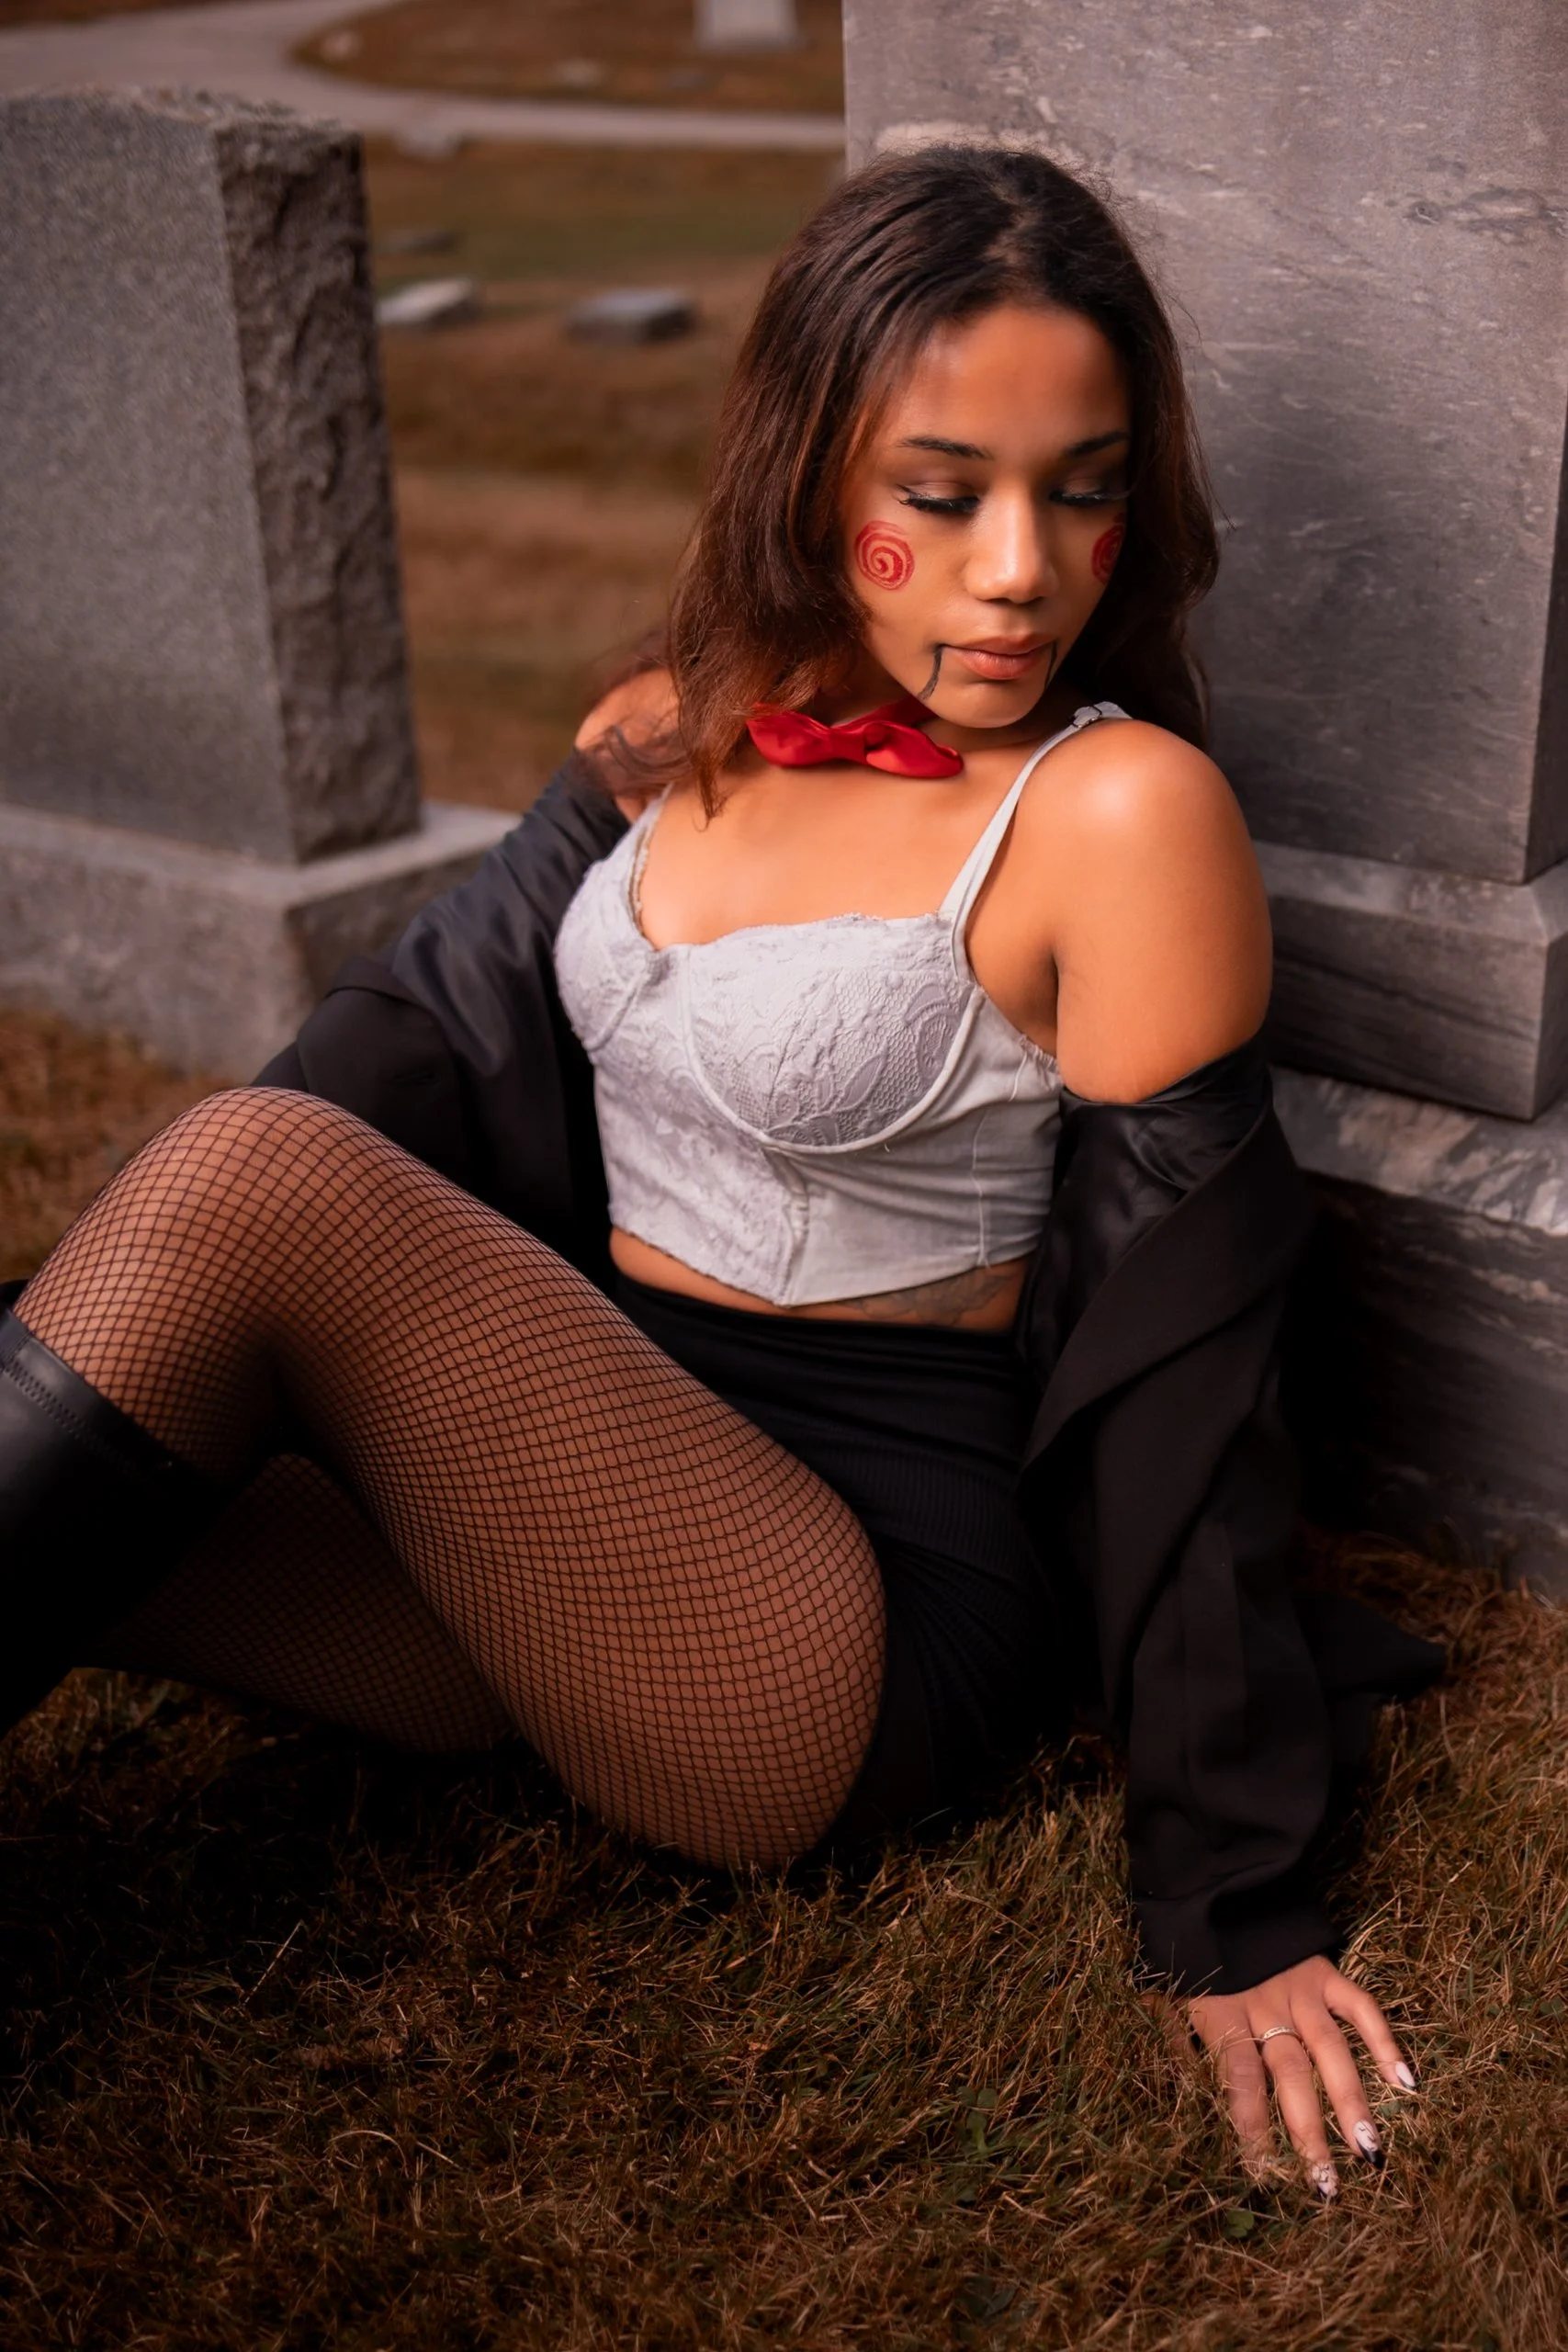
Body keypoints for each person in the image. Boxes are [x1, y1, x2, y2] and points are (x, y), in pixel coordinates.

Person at [0, 145, 1438, 2198]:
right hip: (546, 1529)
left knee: (248, 1178)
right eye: (939, 496)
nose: (1022, 567)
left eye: (1082, 485)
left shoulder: (1120, 810)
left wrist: (1242, 1899)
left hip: (814, 1634)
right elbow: (398, 1063)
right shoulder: (686, 734)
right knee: (95, 1360)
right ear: (804, 472)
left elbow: (1186, 1363)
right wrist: (167, 1332)